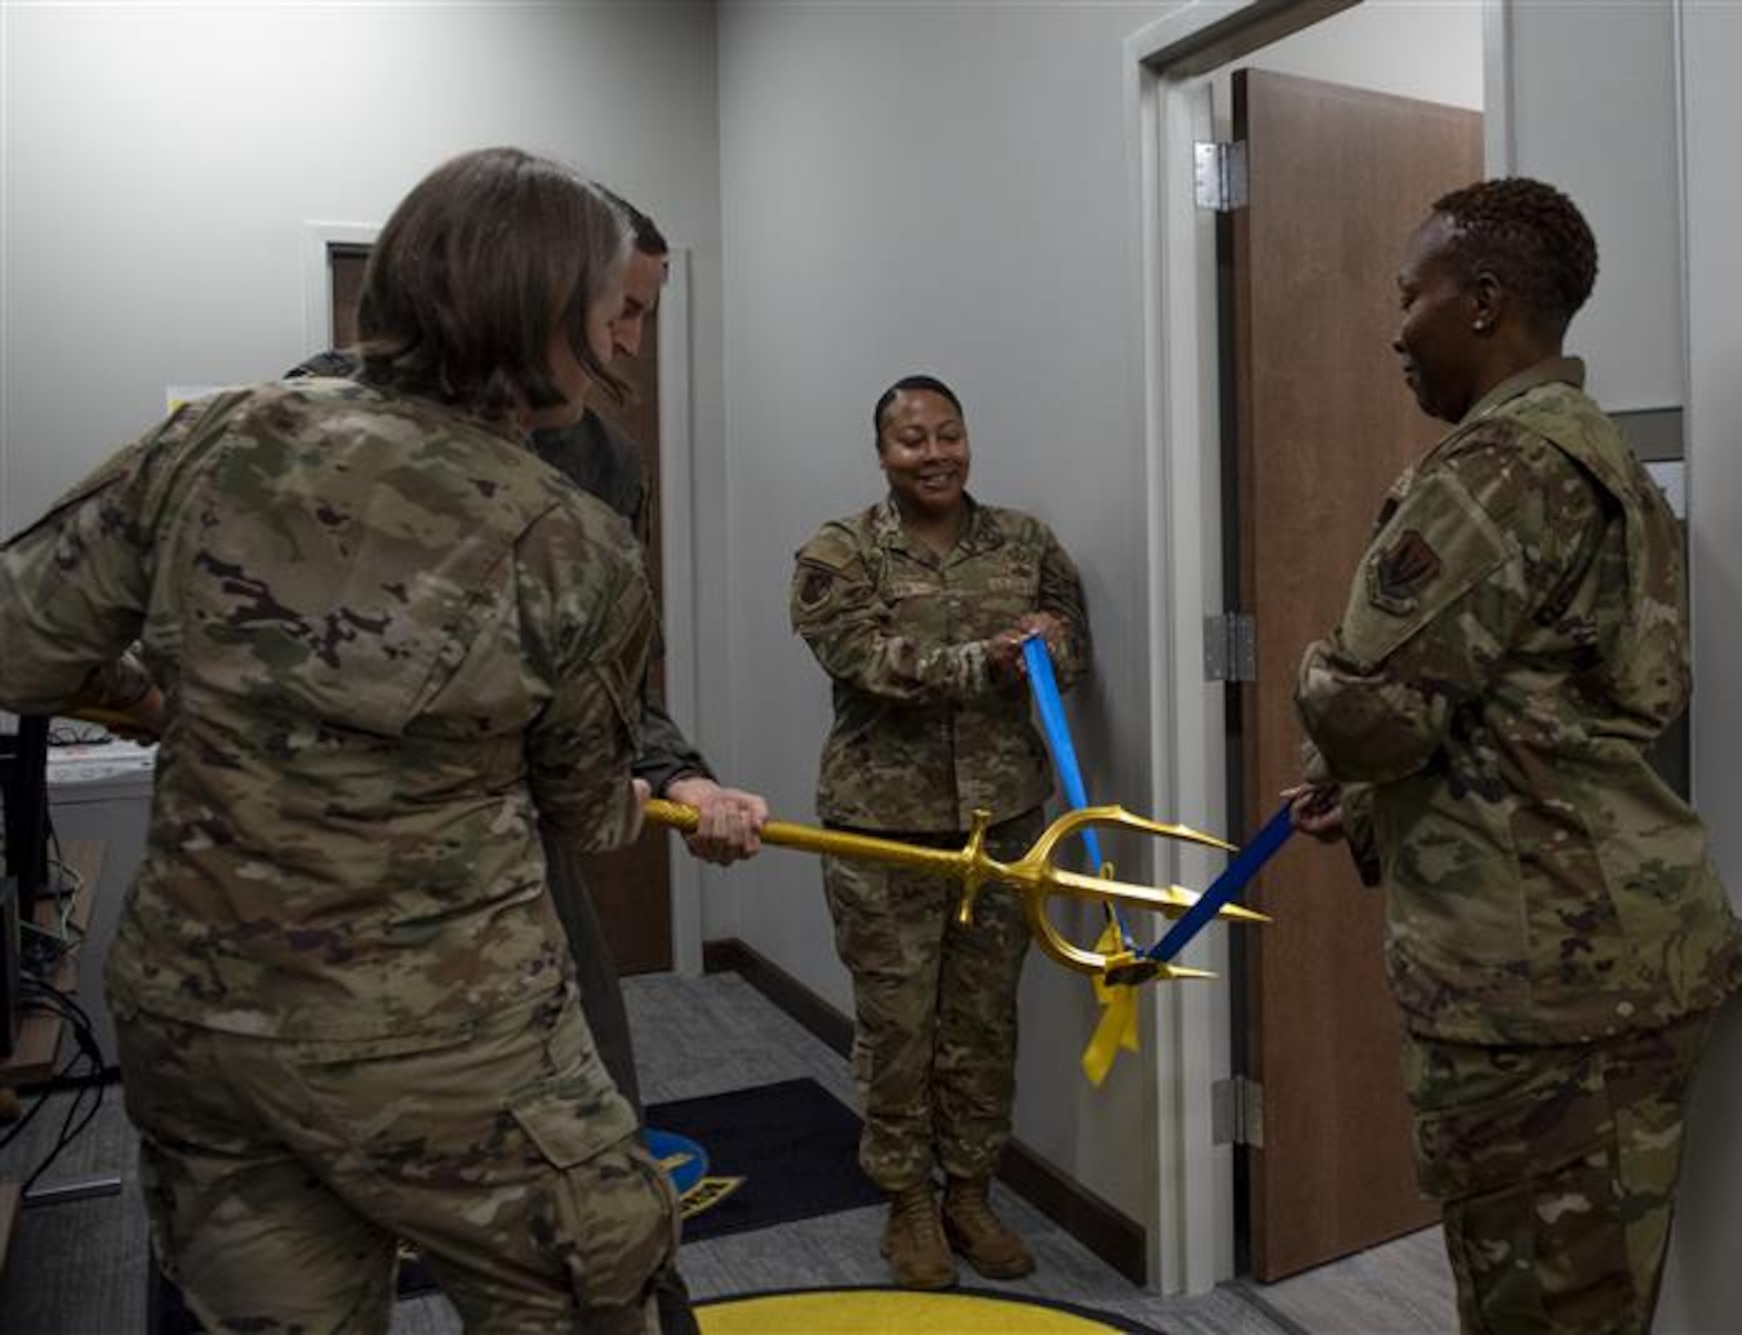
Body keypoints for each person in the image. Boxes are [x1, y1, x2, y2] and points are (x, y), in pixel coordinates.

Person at [0, 147, 684, 1333]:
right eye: (604, 307)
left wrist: (177, 693)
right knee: (600, 1286)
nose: (619, 342)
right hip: (438, 1039)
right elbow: (583, 806)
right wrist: (656, 801)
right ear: (532, 303)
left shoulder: (210, 438)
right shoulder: (570, 539)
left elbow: (19, 649)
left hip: (197, 1025)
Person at [283, 189, 762, 1335]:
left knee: (602, 1194)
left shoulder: (597, 465)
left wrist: (681, 776)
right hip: (309, 889)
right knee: (309, 1227)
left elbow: (611, 683)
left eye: (643, 318)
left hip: (511, 868)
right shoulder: (294, 422)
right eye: (618, 314)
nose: (626, 349)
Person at [1287, 177, 1742, 1334]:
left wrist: (1319, 691)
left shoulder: (1498, 469)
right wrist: (1374, 792)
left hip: (1536, 986)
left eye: (1410, 295)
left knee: (1536, 1310)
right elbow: (1557, 700)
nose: (1395, 326)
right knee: (1589, 1300)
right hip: (1617, 952)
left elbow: (1369, 706)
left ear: (1483, 301)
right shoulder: (1598, 452)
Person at [788, 375, 1091, 1290]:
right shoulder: (839, 553)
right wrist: (991, 658)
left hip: (1004, 826)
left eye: (949, 434)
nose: (935, 455)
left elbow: (1073, 649)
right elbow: (865, 660)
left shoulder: (1025, 542)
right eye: (912, 440)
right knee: (898, 1024)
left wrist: (1048, 636)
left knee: (981, 1021)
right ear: (882, 455)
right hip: (886, 832)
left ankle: (970, 1189)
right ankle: (906, 1201)